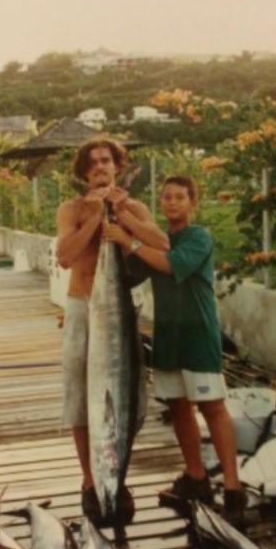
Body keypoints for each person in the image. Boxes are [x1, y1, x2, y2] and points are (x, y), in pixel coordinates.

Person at [103, 175, 247, 518]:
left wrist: (130, 237)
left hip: (197, 336)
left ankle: (232, 488)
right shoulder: (156, 238)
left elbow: (169, 263)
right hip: (168, 336)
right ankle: (196, 479)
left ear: (192, 202)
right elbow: (129, 274)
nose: (171, 202)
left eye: (179, 197)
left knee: (212, 407)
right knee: (179, 408)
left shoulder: (198, 237)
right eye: (166, 197)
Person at [56, 138, 170, 522]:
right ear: (84, 172)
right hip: (81, 307)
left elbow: (161, 243)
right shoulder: (70, 209)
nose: (100, 168)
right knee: (79, 395)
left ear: (117, 167)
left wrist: (123, 218)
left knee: (126, 397)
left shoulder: (132, 207)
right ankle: (91, 481)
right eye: (92, 164)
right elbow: (66, 256)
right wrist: (94, 216)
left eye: (106, 161)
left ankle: (116, 477)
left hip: (118, 312)